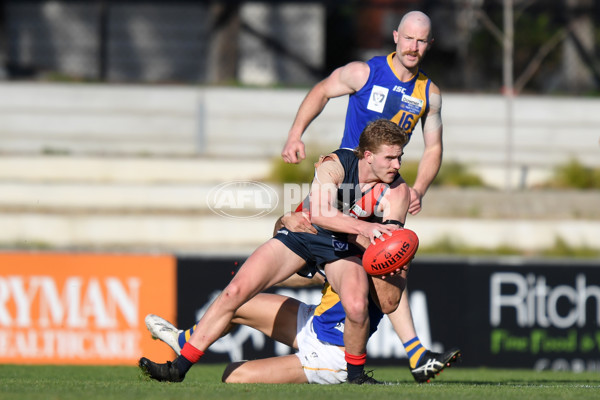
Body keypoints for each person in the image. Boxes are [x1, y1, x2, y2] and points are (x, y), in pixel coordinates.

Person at [139, 119, 411, 385]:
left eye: (399, 157)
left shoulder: (397, 192)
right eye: (390, 158)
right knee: (236, 292)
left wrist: (376, 243)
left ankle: (356, 378)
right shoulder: (336, 164)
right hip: (308, 234)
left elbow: (388, 249)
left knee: (355, 305)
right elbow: (318, 213)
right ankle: (179, 367)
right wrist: (360, 228)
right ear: (367, 155)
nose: (397, 165)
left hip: (343, 247)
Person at [280, 10, 456, 381]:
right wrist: (296, 133)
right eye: (409, 38)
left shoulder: (429, 94)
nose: (414, 46)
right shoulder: (364, 72)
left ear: (430, 44)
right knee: (293, 249)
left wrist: (417, 189)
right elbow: (322, 89)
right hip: (344, 187)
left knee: (388, 262)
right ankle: (234, 299)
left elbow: (434, 148)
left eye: (422, 40)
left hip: (385, 194)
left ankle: (415, 353)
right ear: (395, 36)